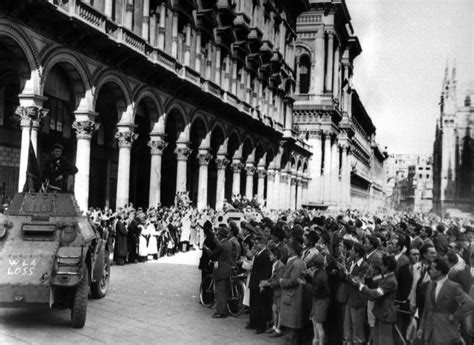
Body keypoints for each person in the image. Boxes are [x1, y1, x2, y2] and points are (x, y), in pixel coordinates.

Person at [418, 258, 474, 345]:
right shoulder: (430, 285)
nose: (430, 271)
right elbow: (426, 309)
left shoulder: (453, 287)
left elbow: (469, 304)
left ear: (439, 272)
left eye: (432, 269)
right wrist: (421, 327)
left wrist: (455, 316)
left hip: (446, 333)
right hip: (429, 333)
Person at [356, 254, 398, 345]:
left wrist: (361, 286)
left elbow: (376, 294)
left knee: (384, 341)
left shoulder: (390, 280)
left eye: (382, 265)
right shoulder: (386, 278)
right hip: (380, 312)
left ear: (386, 267)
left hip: (386, 314)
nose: (380, 267)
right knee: (377, 340)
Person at [207, 226, 233, 319]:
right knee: (225, 292)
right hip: (227, 269)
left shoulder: (221, 245)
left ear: (220, 236)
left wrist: (208, 251)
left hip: (220, 270)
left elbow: (213, 256)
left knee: (219, 292)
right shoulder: (229, 243)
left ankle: (220, 311)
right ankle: (224, 310)